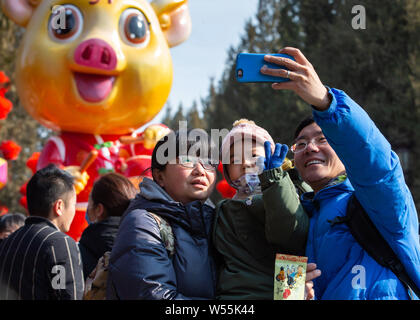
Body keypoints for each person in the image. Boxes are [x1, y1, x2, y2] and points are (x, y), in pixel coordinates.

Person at [260, 47, 420, 299]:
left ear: (343, 151)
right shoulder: (296, 220)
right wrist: (291, 295)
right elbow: (287, 296)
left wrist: (326, 103)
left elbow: (379, 168)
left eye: (323, 139)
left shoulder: (374, 203)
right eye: (300, 144)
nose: (310, 147)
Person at [107, 130, 219, 299]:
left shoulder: (217, 222)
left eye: (208, 162)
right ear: (159, 176)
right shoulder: (142, 224)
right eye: (187, 160)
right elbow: (153, 295)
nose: (200, 170)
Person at [213, 118, 314, 299]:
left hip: (284, 291)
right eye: (235, 160)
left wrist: (273, 179)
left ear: (271, 156)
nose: (245, 163)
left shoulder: (293, 190)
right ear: (227, 171)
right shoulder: (223, 210)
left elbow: (291, 236)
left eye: (253, 155)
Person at [0, 164, 84, 300]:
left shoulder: (7, 242)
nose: (74, 211)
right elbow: (68, 296)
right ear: (59, 206)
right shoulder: (60, 244)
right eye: (74, 205)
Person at [79, 172, 137, 279]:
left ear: (99, 210)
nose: (87, 209)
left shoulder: (80, 252)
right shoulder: (147, 243)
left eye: (90, 203)